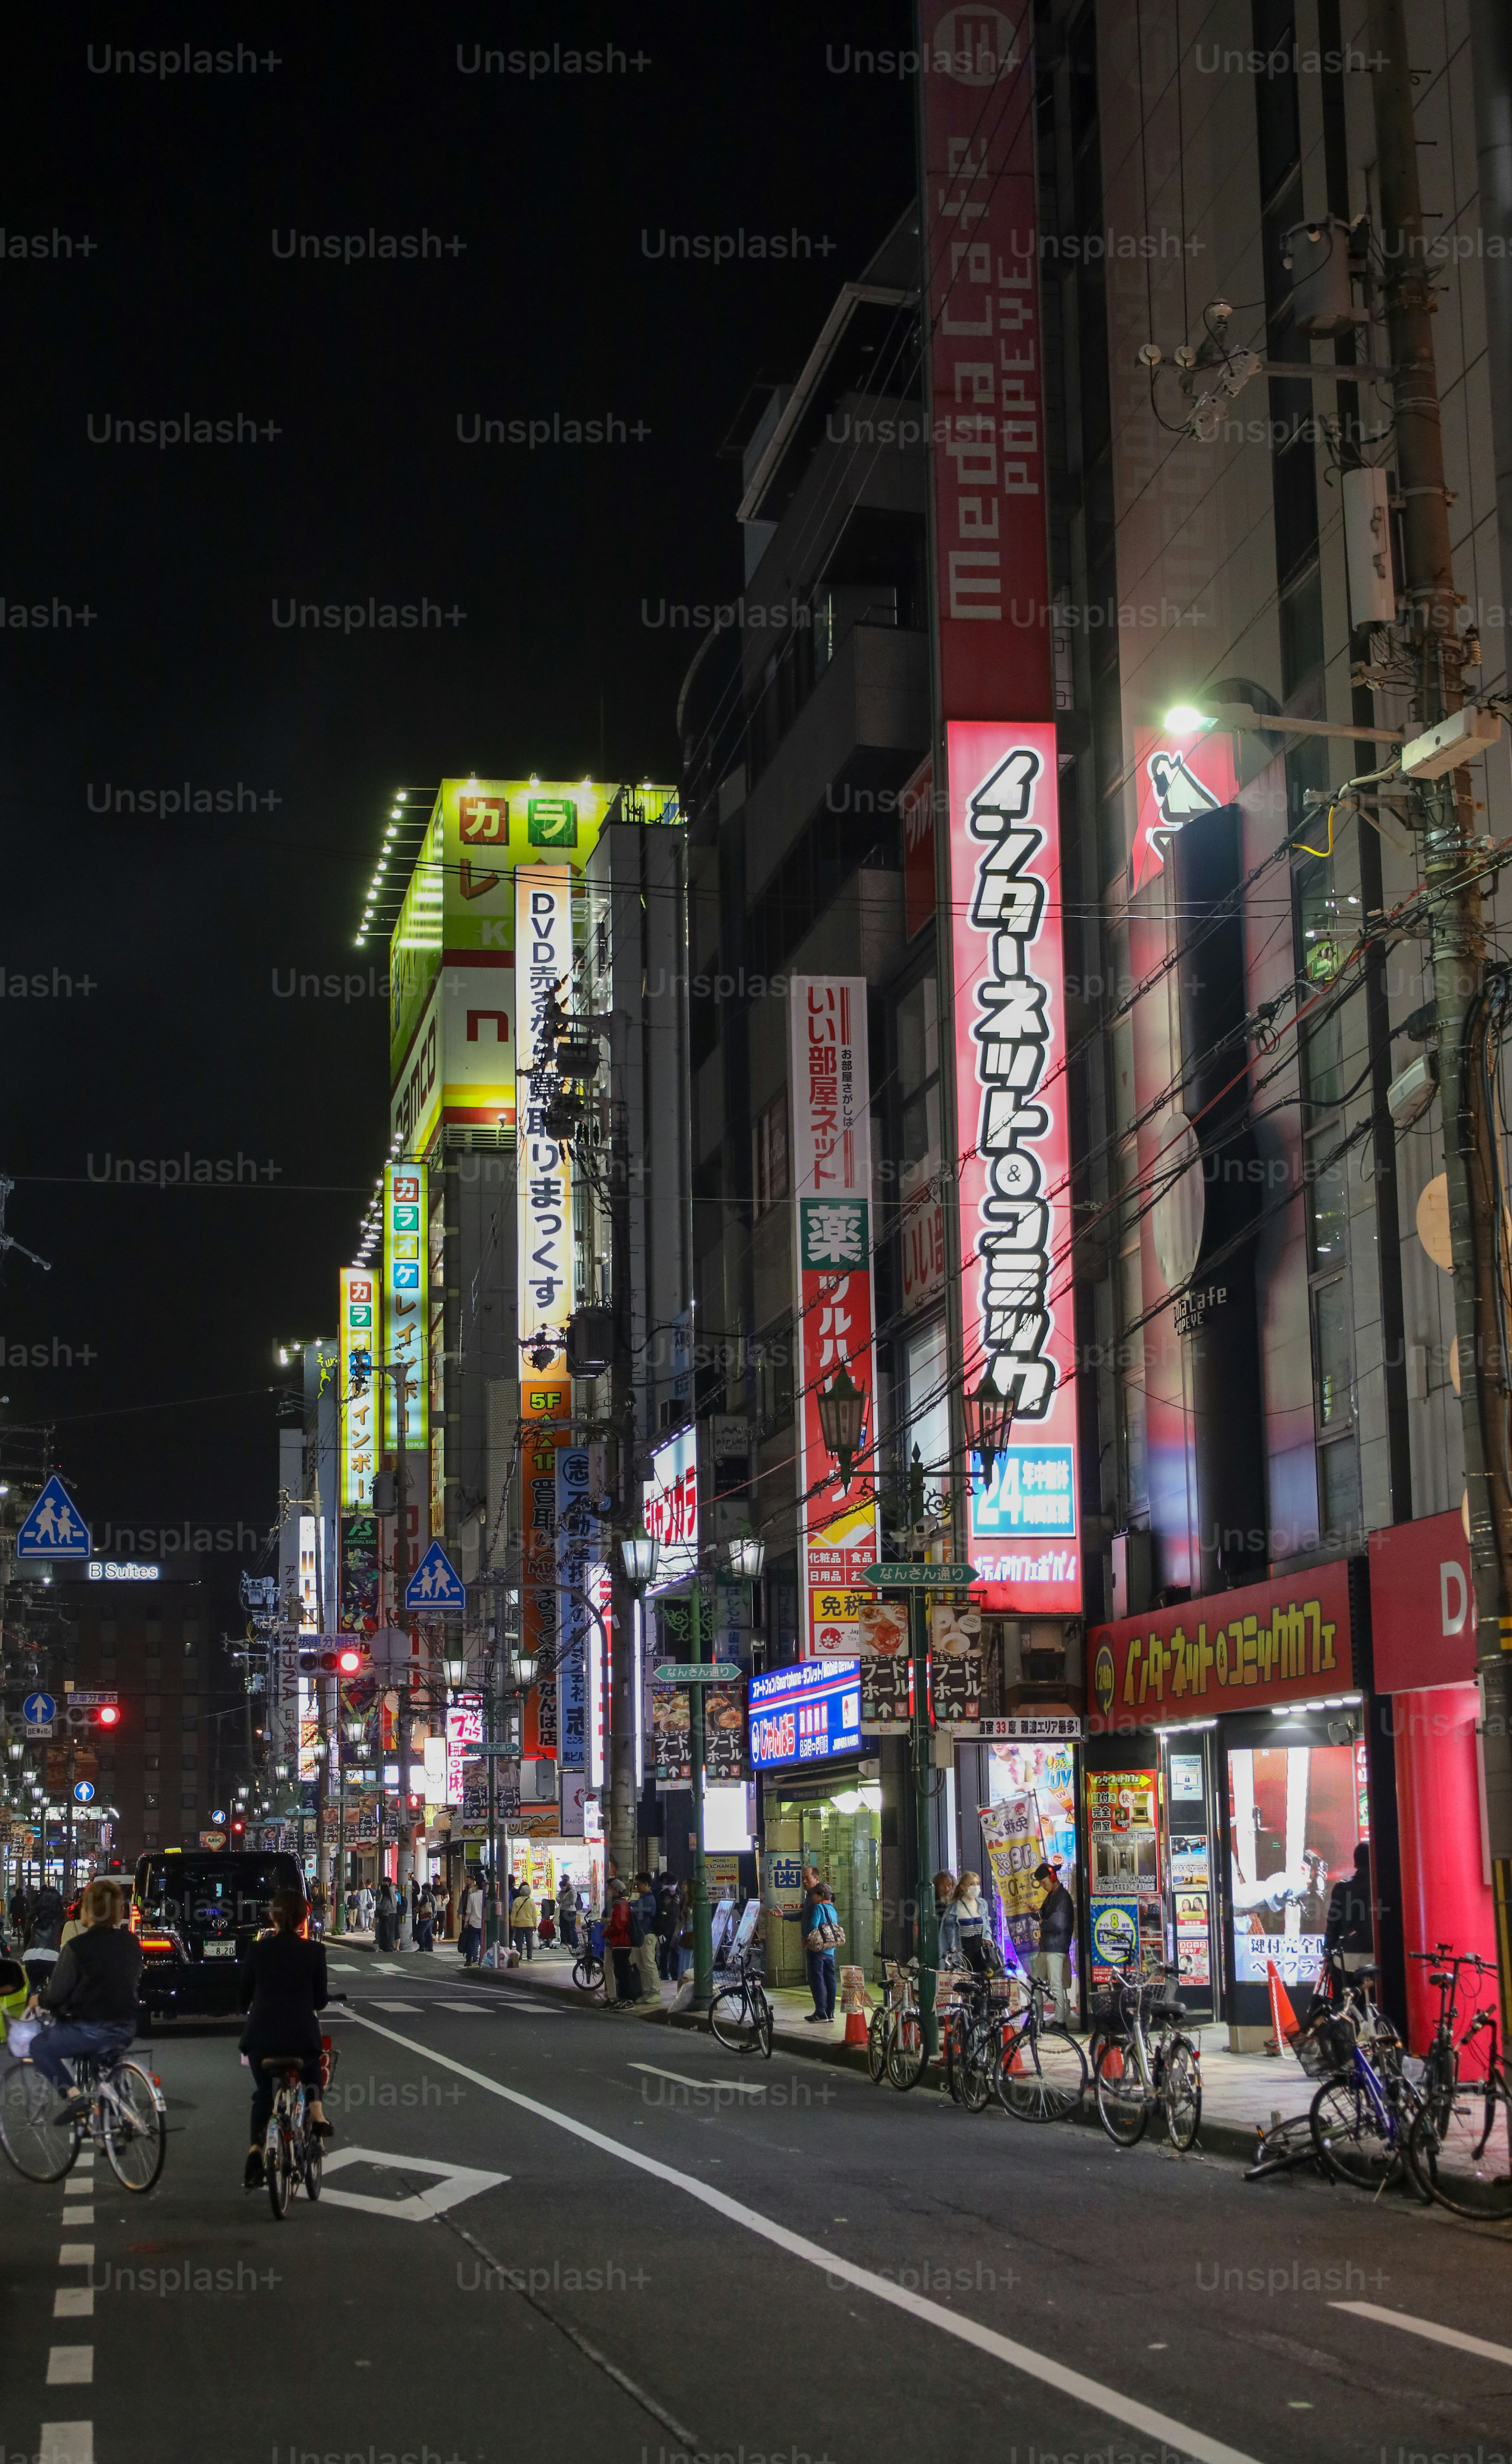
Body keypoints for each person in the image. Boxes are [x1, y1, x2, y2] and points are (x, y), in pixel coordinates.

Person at [238, 1886, 331, 2190]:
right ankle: (317, 2113)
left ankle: (256, 2150)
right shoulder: (315, 1951)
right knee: (311, 2064)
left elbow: (244, 1996)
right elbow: (319, 2001)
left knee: (264, 2094)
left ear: (273, 1918)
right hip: (300, 2036)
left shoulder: (258, 1950)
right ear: (305, 1916)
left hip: (261, 2037)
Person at [30, 1877, 141, 2118]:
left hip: (92, 2027)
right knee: (100, 2065)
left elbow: (57, 1995)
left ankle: (74, 2097)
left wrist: (38, 2000)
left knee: (39, 2047)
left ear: (90, 1909)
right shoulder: (131, 1943)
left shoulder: (77, 1948)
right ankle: (109, 2134)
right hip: (126, 2025)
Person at [790, 1865, 840, 2024]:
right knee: (830, 1979)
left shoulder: (816, 1904)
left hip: (817, 1947)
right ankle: (830, 2012)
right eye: (803, 1878)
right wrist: (785, 1915)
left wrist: (808, 1939)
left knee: (817, 1978)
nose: (804, 1881)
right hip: (830, 1949)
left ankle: (821, 2013)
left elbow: (812, 1925)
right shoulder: (831, 1908)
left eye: (808, 1878)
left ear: (817, 1880)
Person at [1031, 1860, 1075, 2022]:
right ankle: (1040, 2020)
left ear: (1053, 1878)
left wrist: (1043, 1922)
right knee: (1036, 1982)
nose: (1043, 1886)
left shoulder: (1063, 1898)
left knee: (1056, 1985)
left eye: (1043, 1882)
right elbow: (1044, 1914)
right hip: (1049, 1947)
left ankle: (1060, 2022)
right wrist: (1036, 1913)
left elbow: (1058, 1924)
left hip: (1056, 1948)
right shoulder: (1053, 1897)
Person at [604, 1880, 640, 2003]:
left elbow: (619, 1926)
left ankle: (627, 2000)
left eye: (610, 1888)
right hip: (619, 1943)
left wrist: (606, 1933)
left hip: (621, 1943)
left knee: (623, 1973)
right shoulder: (619, 1904)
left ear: (616, 1890)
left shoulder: (620, 1905)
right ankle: (623, 1999)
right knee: (621, 1972)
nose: (608, 1890)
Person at [949, 1873, 990, 1975]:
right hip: (963, 1951)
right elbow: (949, 1932)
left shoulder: (982, 1904)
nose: (976, 1887)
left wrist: (988, 1938)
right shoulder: (955, 1907)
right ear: (963, 1887)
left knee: (983, 1983)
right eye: (972, 1884)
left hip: (981, 1951)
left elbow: (987, 1925)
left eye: (978, 1884)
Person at [633, 1871, 660, 2003]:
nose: (636, 1887)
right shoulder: (643, 1898)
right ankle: (647, 1992)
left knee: (649, 1965)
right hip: (641, 1936)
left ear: (646, 1884)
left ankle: (655, 1992)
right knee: (642, 1966)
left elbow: (634, 1909)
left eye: (638, 1885)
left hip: (648, 1936)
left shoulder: (649, 1899)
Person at [934, 1870, 962, 1966]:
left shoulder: (957, 1904)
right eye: (943, 1886)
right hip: (936, 1944)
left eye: (950, 1885)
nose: (947, 1889)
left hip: (953, 1945)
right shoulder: (931, 1903)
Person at [458, 1874, 484, 1967]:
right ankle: (483, 1960)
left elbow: (468, 1911)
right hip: (483, 1924)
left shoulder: (472, 1896)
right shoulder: (486, 1897)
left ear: (477, 1886)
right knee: (483, 1944)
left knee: (471, 1943)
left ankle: (469, 1961)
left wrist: (466, 1922)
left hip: (473, 1923)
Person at [509, 1876, 536, 1961]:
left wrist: (512, 1923)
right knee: (529, 1941)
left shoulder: (517, 1901)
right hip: (529, 1924)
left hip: (519, 1924)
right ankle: (530, 1957)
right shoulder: (531, 1902)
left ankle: (520, 1957)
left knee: (519, 1942)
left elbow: (513, 1913)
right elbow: (534, 1915)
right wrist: (535, 1924)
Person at [374, 1878, 397, 1952]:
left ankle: (388, 1947)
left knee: (388, 1931)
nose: (383, 1883)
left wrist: (378, 1906)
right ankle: (386, 1947)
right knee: (386, 1931)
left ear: (389, 1883)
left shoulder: (390, 1893)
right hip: (388, 1914)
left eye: (385, 1882)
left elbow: (390, 1905)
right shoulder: (388, 1893)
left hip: (389, 1914)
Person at [557, 1874, 578, 1952]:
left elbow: (574, 1901)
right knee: (563, 1927)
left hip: (571, 1911)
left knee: (570, 1928)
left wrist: (565, 1902)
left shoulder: (572, 1889)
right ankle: (564, 1943)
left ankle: (572, 1943)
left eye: (565, 1880)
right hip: (563, 1910)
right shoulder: (561, 1892)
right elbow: (560, 1898)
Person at [415, 1882, 435, 1953]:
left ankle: (422, 1947)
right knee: (429, 1933)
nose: (422, 1891)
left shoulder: (425, 1897)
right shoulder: (432, 1896)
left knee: (421, 1933)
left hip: (425, 1917)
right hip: (431, 1917)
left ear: (426, 1890)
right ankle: (430, 1947)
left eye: (423, 1889)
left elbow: (420, 1905)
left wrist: (416, 1910)